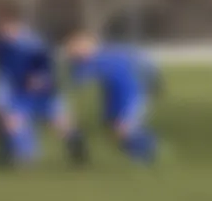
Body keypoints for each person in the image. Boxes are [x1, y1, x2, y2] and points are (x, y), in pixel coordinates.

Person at [0, 5, 87, 166]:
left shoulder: (33, 43)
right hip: (18, 90)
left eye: (5, 27)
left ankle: (76, 144)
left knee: (60, 122)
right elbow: (0, 67)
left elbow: (47, 64)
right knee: (3, 117)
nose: (1, 32)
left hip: (43, 91)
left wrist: (40, 78)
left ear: (15, 25)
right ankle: (19, 151)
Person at [65, 31, 159, 163]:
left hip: (132, 97)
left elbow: (144, 61)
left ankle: (148, 154)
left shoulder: (111, 55)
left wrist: (153, 81)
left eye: (78, 48)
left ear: (90, 45)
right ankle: (142, 152)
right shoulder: (86, 63)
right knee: (114, 131)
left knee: (124, 129)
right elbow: (76, 80)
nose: (75, 52)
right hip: (114, 99)